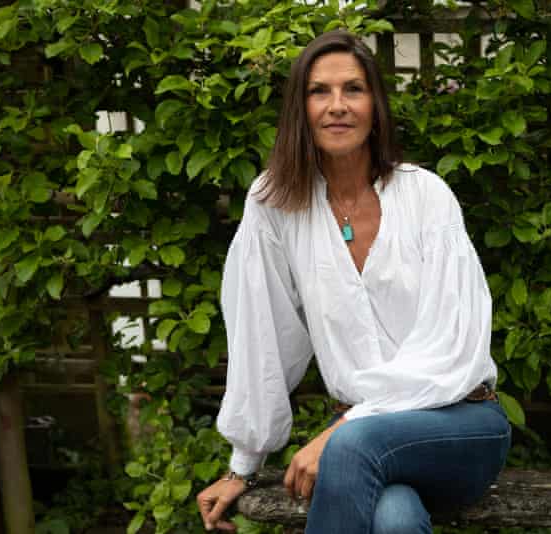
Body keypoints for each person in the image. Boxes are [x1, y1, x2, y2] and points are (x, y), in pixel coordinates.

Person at [196, 29, 510, 533]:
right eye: (320, 91)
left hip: (461, 425)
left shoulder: (426, 196)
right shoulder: (275, 205)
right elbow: (264, 333)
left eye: (354, 89)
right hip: (360, 445)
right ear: (300, 108)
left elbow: (452, 345)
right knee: (395, 520)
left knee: (353, 447)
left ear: (376, 105)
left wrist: (346, 428)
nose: (337, 105)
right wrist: (243, 465)